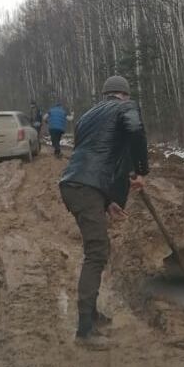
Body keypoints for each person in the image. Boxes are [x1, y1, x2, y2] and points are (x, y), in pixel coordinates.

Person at [58, 75, 148, 341]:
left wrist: (108, 201)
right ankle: (85, 330)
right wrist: (141, 170)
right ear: (125, 95)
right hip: (83, 189)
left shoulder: (88, 116)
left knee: (97, 250)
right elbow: (135, 131)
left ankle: (91, 315)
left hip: (77, 184)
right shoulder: (126, 108)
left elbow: (96, 155)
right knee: (97, 252)